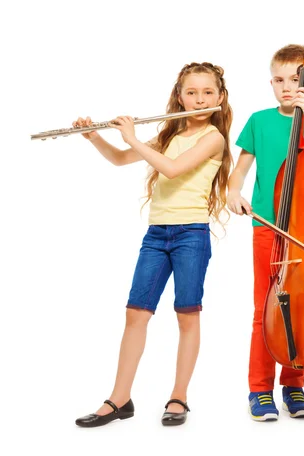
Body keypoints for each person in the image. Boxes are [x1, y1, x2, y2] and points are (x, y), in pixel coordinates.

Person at [73, 62, 232, 427]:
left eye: (208, 92)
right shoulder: (168, 134)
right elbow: (119, 159)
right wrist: (95, 137)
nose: (199, 99)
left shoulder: (213, 137)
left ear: (220, 98)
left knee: (186, 315)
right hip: (157, 235)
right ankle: (119, 399)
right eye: (191, 92)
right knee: (136, 314)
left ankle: (179, 396)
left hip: (191, 234)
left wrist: (132, 137)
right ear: (179, 96)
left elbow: (173, 169)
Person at [226, 44, 304, 421]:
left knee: (303, 310)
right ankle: (259, 389)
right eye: (278, 80)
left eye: (295, 80)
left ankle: (293, 386)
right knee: (266, 310)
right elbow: (240, 171)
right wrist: (233, 191)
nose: (285, 88)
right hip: (268, 229)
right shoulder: (259, 121)